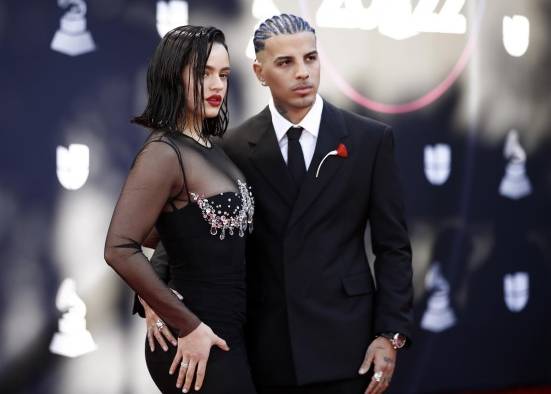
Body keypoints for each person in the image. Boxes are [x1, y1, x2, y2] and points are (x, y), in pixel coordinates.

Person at [145, 14, 414, 394]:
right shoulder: (232, 148)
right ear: (259, 72)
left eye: (311, 58)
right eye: (286, 62)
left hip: (347, 343)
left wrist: (391, 334)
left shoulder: (370, 140)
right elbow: (187, 232)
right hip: (265, 344)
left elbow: (394, 248)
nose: (303, 72)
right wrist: (154, 296)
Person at [104, 25, 256, 394]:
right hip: (194, 342)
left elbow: (177, 231)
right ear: (173, 78)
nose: (217, 85)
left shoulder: (209, 147)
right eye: (202, 74)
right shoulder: (163, 153)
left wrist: (156, 293)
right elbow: (119, 248)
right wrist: (183, 321)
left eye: (223, 74)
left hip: (225, 332)